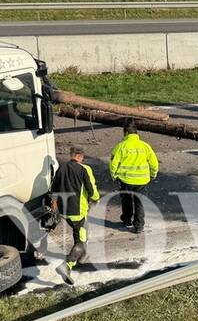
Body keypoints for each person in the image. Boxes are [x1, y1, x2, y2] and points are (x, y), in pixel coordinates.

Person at [49, 145, 99, 282]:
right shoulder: (84, 169)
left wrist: (55, 207)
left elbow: (54, 189)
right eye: (83, 157)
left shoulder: (61, 168)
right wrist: (96, 199)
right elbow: (91, 189)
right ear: (80, 156)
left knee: (80, 232)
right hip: (78, 211)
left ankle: (82, 256)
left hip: (64, 211)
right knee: (81, 240)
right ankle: (67, 264)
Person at [109, 120, 159, 234]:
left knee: (126, 201)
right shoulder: (145, 146)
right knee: (139, 203)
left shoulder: (121, 146)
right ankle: (139, 225)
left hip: (125, 180)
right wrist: (153, 174)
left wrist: (114, 175)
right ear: (136, 132)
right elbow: (154, 162)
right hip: (142, 180)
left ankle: (127, 220)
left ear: (126, 132)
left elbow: (113, 163)